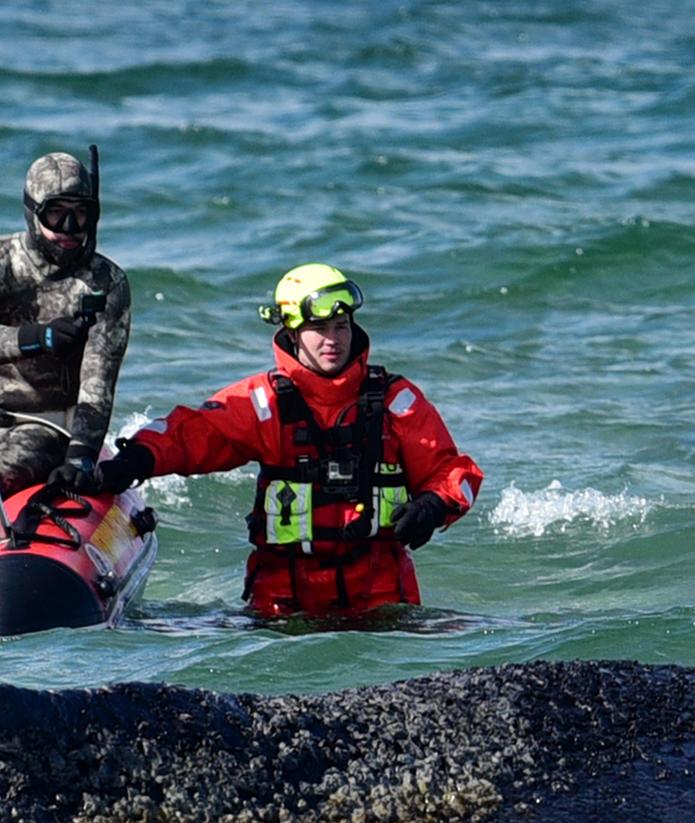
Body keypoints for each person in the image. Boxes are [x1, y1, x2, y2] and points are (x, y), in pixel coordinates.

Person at [97, 263, 483, 619]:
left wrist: (433, 505)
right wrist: (135, 460)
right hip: (282, 609)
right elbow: (192, 435)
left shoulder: (396, 402)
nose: (333, 340)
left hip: (383, 605)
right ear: (293, 332)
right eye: (320, 329)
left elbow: (453, 472)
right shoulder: (263, 404)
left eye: (342, 326)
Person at [0, 146, 131, 495]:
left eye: (80, 213)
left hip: (44, 427)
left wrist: (81, 457)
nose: (70, 228)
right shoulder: (3, 262)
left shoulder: (105, 282)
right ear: (33, 213)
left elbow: (98, 380)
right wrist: (35, 338)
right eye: (56, 214)